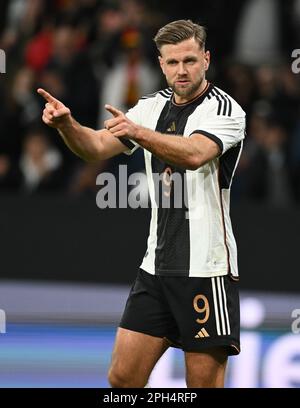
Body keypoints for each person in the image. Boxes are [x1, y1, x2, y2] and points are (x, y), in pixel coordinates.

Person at [38, 19, 246, 388]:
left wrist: (137, 133)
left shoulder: (226, 111)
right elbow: (97, 147)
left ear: (207, 59)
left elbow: (196, 153)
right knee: (122, 379)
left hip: (206, 270)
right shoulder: (150, 107)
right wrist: (67, 125)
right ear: (161, 63)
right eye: (172, 62)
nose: (181, 70)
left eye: (190, 61)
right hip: (155, 268)